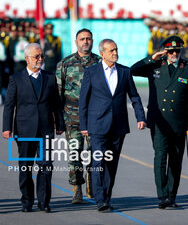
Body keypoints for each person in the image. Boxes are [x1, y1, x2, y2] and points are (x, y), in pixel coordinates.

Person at [131, 36, 188, 209]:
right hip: (159, 121)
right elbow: (133, 70)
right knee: (160, 157)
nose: (174, 53)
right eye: (170, 51)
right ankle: (161, 196)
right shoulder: (155, 65)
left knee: (175, 160)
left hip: (178, 122)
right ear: (164, 51)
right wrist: (150, 58)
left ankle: (171, 195)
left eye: (177, 51)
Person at [79, 39, 146, 212]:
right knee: (98, 162)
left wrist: (140, 117)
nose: (115, 53)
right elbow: (83, 101)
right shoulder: (91, 72)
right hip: (97, 126)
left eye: (116, 49)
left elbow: (134, 96)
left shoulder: (124, 71)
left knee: (112, 164)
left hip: (118, 125)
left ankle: (106, 197)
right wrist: (84, 125)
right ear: (102, 54)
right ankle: (100, 199)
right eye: (111, 51)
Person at [2, 43, 65, 213]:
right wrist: (6, 127)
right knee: (25, 167)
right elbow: (9, 105)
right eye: (36, 56)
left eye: (41, 56)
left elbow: (56, 104)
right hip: (24, 130)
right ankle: (27, 201)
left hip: (45, 131)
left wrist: (60, 124)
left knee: (46, 166)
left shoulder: (50, 78)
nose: (40, 59)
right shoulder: (16, 78)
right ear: (27, 58)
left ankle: (44, 202)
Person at [56, 28, 101, 203]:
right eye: (82, 39)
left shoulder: (99, 62)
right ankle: (77, 190)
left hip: (94, 116)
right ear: (76, 42)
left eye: (88, 39)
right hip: (72, 116)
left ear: (92, 41)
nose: (85, 42)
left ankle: (93, 185)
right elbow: (58, 93)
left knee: (94, 154)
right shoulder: (65, 64)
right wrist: (58, 119)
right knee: (74, 154)